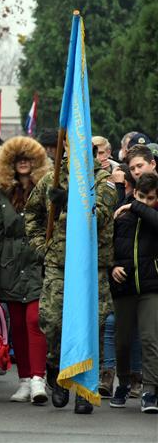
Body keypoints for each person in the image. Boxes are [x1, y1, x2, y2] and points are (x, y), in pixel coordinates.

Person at [24, 148, 117, 414]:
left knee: (93, 327)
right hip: (59, 263)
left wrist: (69, 201)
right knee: (52, 322)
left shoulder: (103, 179)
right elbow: (32, 213)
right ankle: (58, 370)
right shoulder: (52, 178)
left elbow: (99, 214)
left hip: (92, 265)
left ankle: (84, 390)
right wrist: (43, 246)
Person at [0, 136, 51, 404]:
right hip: (9, 267)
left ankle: (38, 379)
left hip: (38, 264)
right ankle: (23, 380)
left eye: (28, 158)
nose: (23, 162)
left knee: (35, 322)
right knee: (19, 328)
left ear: (35, 162)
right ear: (9, 164)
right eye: (17, 158)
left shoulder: (46, 190)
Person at [109, 172, 158, 413]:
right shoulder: (121, 213)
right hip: (124, 285)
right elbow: (107, 243)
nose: (144, 202)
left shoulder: (147, 213)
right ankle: (124, 382)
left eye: (150, 198)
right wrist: (113, 266)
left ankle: (150, 389)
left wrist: (137, 206)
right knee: (123, 341)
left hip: (151, 286)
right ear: (134, 191)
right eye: (141, 196)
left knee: (150, 339)